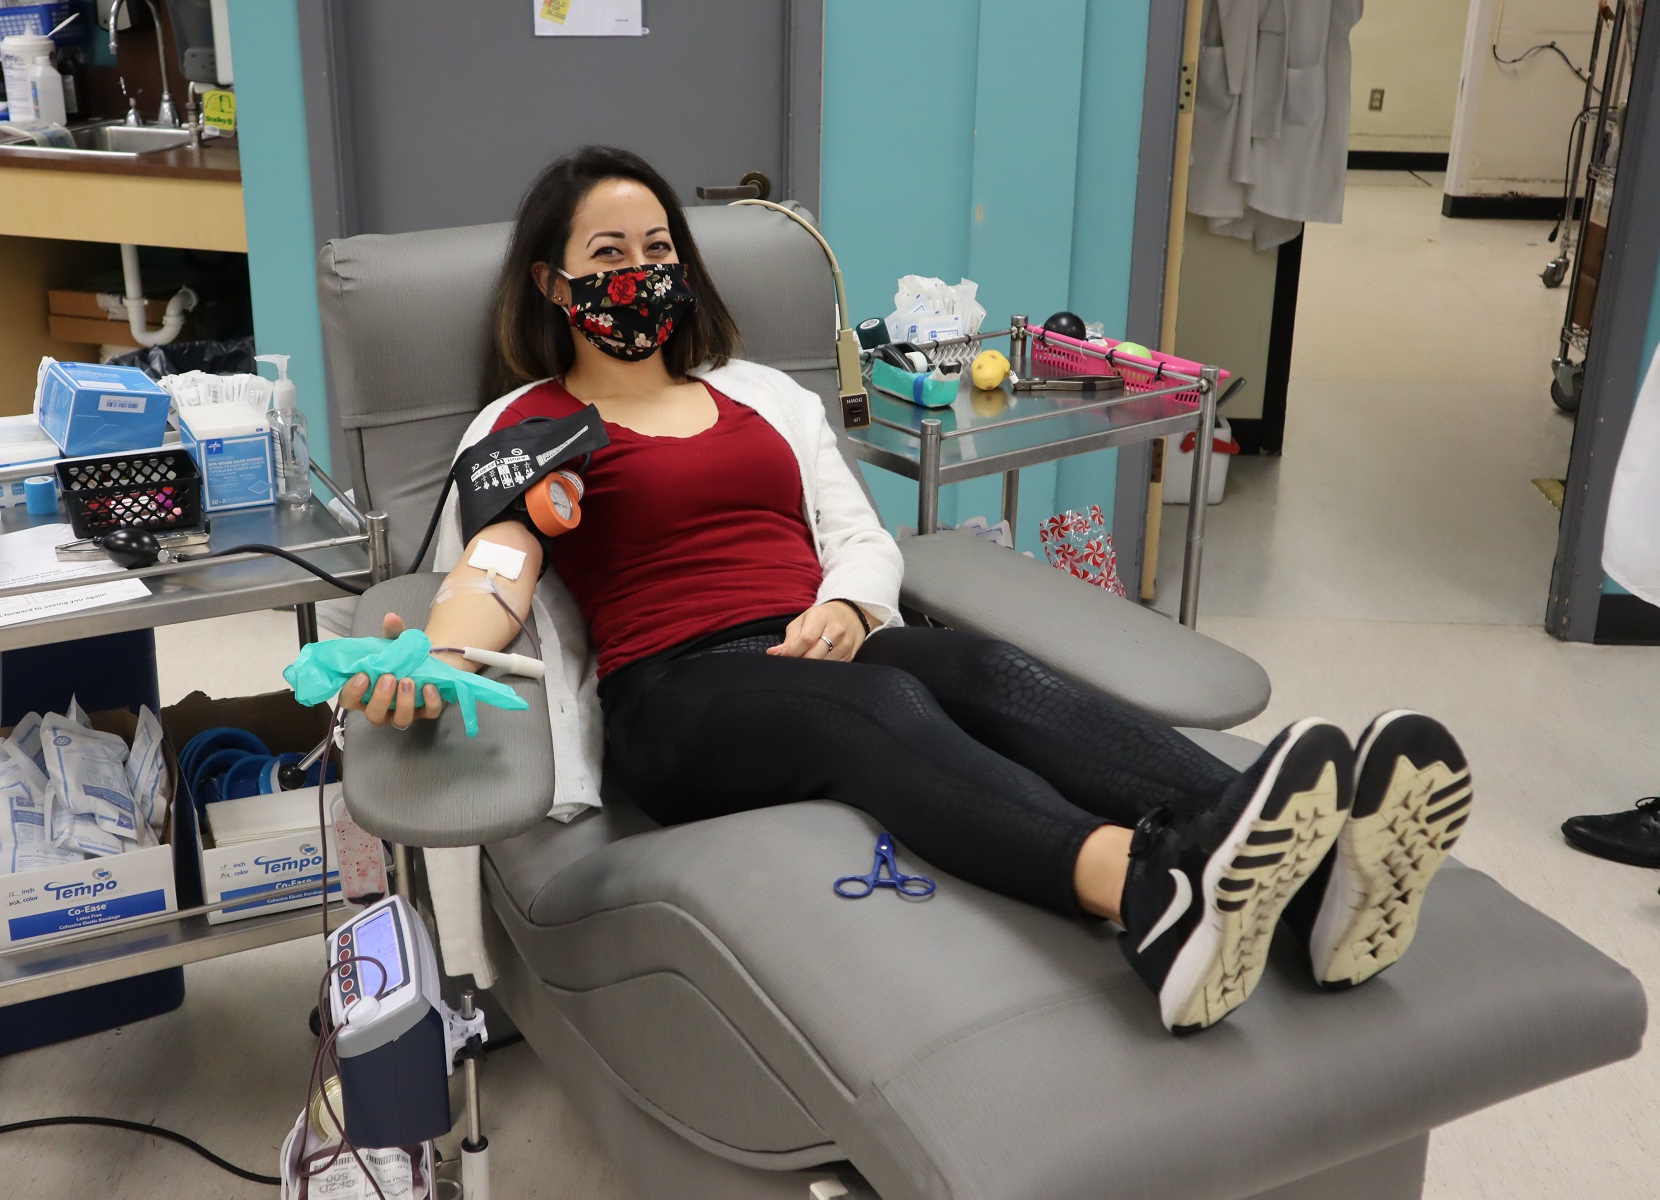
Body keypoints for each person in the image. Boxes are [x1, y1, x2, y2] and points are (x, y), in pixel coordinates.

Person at [340, 146, 1475, 1034]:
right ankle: (1150, 899)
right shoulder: (532, 424)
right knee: (880, 713)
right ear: (552, 282)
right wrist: (436, 665)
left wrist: (845, 606)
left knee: (976, 667)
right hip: (678, 696)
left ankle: (1310, 872)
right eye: (605, 255)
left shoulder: (762, 396)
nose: (640, 273)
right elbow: (493, 573)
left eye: (657, 245)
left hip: (827, 639)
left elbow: (859, 535)